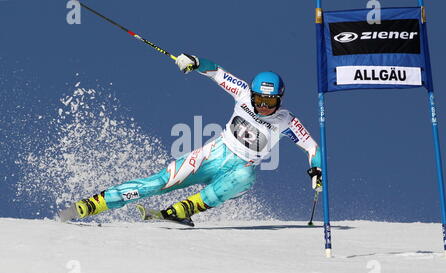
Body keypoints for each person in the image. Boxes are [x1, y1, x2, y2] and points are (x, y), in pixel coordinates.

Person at [59, 54, 323, 225]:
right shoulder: (242, 94)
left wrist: (316, 170)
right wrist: (194, 62)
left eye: (271, 102)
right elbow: (217, 72)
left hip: (237, 170)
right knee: (160, 183)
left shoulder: (286, 121)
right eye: (260, 100)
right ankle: (94, 204)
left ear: (281, 99)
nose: (264, 107)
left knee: (247, 176)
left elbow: (312, 147)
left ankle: (188, 208)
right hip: (213, 155)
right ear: (252, 95)